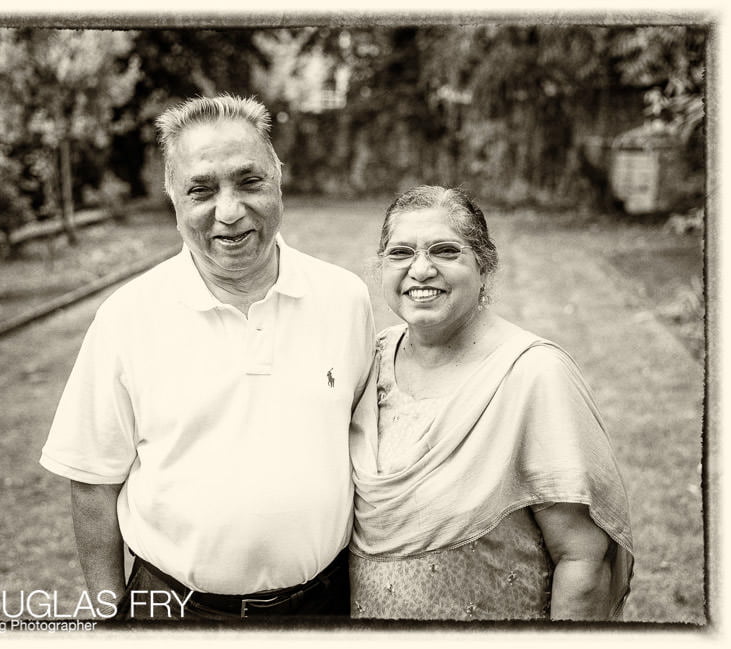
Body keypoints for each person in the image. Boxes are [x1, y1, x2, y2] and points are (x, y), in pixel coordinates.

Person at [40, 95, 375, 622]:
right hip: (173, 611)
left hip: (325, 607)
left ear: (278, 177)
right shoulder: (126, 317)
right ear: (173, 197)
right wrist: (109, 621)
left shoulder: (345, 299)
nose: (228, 212)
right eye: (201, 190)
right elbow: (91, 484)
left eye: (249, 181)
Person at [349, 185, 634, 621]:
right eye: (400, 252)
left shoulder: (532, 374)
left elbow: (582, 559)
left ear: (485, 267)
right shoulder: (369, 361)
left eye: (445, 251)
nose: (420, 269)